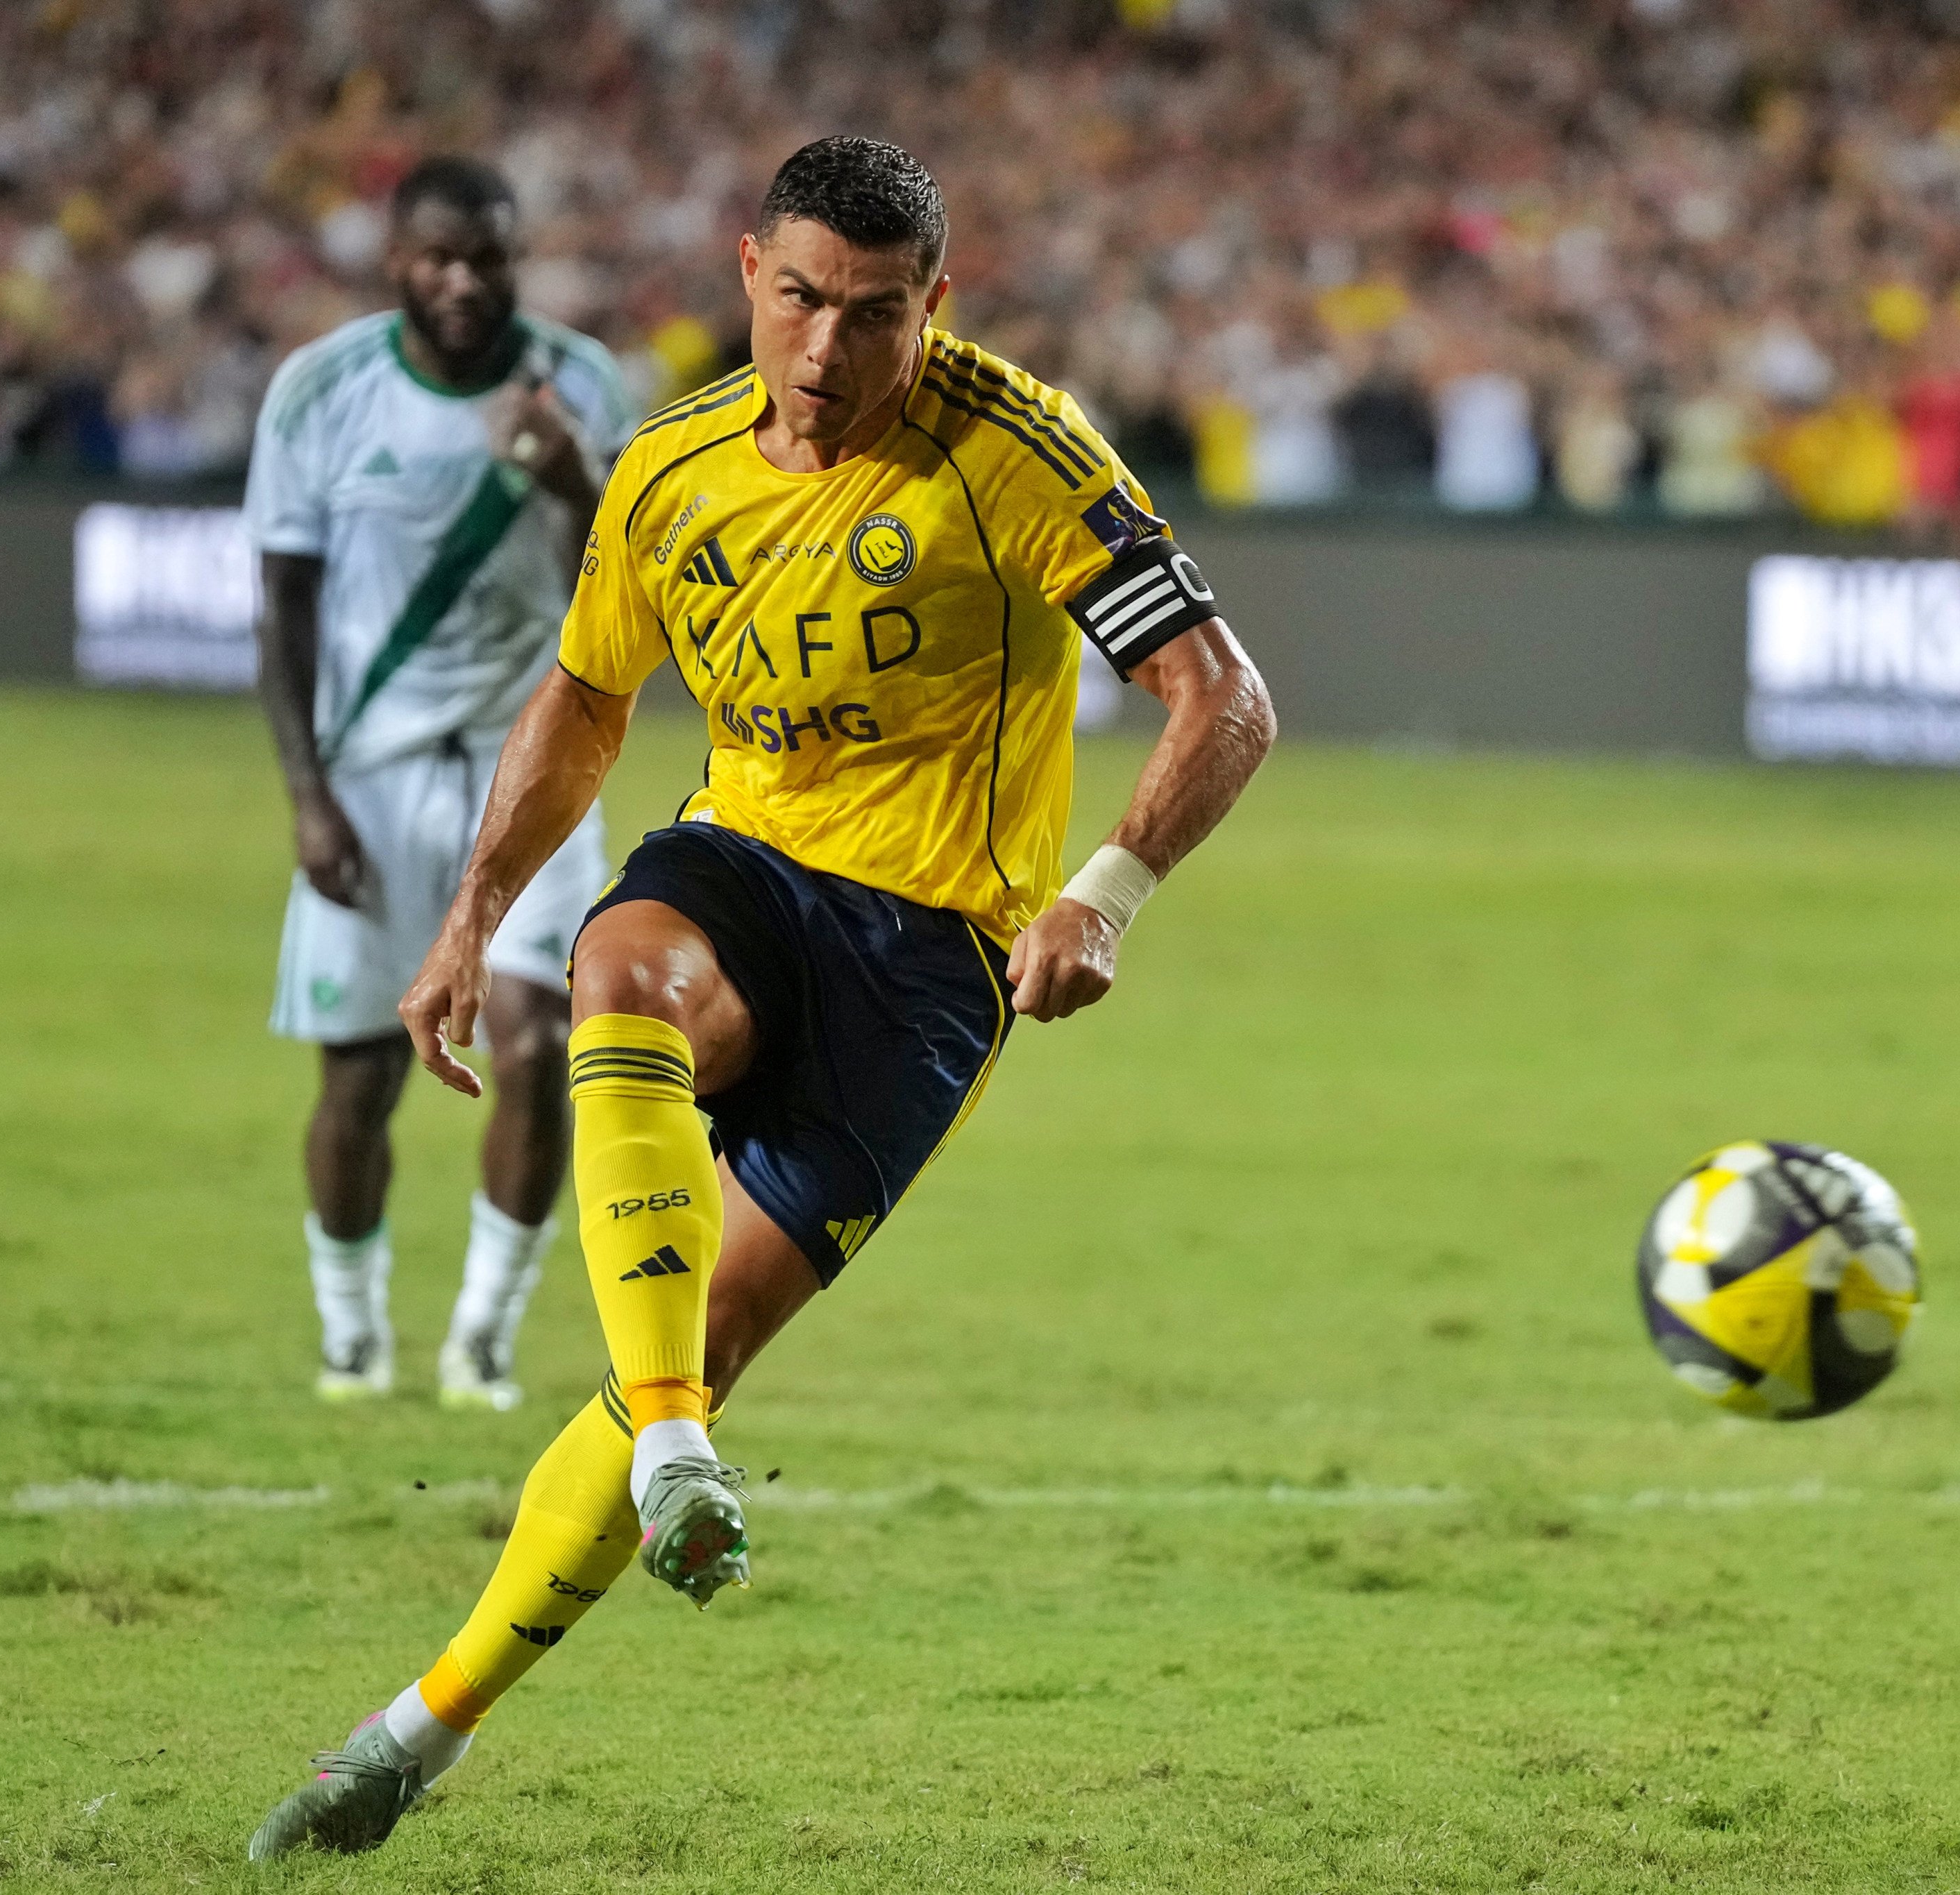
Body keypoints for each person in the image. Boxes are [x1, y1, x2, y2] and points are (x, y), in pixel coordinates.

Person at [245, 136, 1276, 1858]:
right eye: (799, 299)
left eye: (874, 315)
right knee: (617, 969)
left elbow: (1220, 696)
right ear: (747, 273)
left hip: (930, 956)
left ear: (934, 306)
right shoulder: (671, 470)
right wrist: (469, 914)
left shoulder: (1018, 452)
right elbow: (586, 701)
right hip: (746, 864)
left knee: (702, 1341)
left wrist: (1103, 896)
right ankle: (671, 1454)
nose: (826, 348)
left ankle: (417, 1735)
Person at [247, 156, 637, 1411]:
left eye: (487, 258)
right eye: (438, 257)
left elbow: (627, 598)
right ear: (396, 261)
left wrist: (575, 480)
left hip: (534, 770)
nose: (463, 280)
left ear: (518, 259)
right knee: (359, 1073)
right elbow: (281, 606)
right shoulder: (322, 392)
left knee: (540, 1044)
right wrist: (307, 796)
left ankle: (483, 1333)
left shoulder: (584, 384)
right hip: (370, 774)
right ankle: (351, 1330)